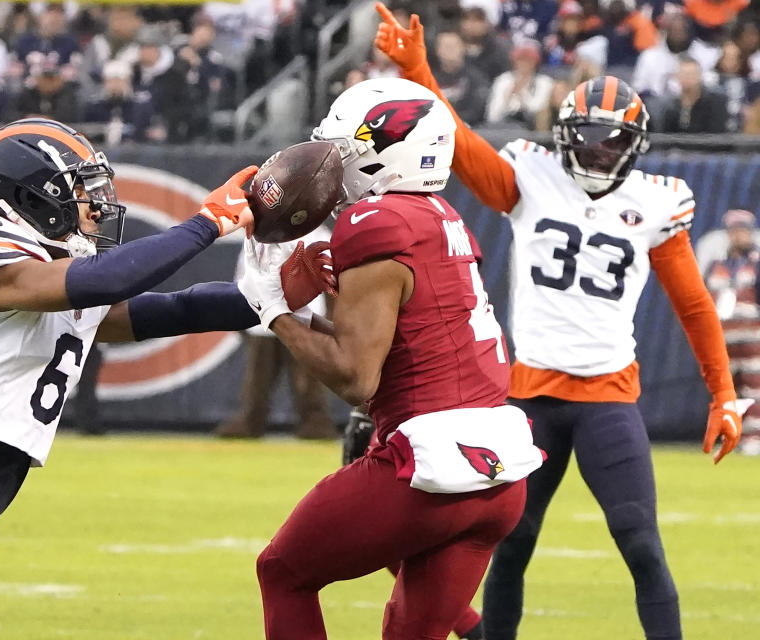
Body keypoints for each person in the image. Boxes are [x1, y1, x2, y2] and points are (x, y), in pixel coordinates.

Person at [0, 117, 332, 640]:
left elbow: (174, 309)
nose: (97, 205)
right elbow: (106, 280)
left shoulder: (61, 273)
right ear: (33, 196)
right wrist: (205, 224)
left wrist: (280, 295)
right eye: (82, 191)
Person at [374, 4, 744, 640]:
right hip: (529, 395)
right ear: (564, 135)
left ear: (635, 145)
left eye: (612, 140)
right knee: (509, 546)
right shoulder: (532, 175)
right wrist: (418, 71)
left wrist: (725, 393)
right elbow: (459, 143)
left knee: (640, 542)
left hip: (606, 395)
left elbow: (693, 305)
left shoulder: (656, 203)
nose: (599, 153)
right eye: (588, 138)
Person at [238, 76, 545, 640]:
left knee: (283, 572)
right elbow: (397, 336)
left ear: (388, 156)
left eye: (348, 154)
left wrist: (274, 310)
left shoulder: (376, 220)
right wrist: (302, 315)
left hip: (426, 465)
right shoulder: (438, 216)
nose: (334, 167)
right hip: (498, 472)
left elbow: (357, 376)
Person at [215, 226, 337, 440]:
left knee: (308, 377)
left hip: (305, 317)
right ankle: (250, 420)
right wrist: (238, 315)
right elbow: (243, 278)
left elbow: (332, 282)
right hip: (262, 319)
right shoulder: (258, 237)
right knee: (257, 379)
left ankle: (315, 422)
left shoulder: (319, 236)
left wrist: (331, 319)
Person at [702, 209, 760, 454]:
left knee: (754, 388)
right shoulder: (716, 265)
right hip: (723, 338)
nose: (739, 236)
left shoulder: (756, 265)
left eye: (743, 231)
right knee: (728, 391)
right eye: (734, 231)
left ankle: (754, 438)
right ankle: (731, 437)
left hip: (752, 338)